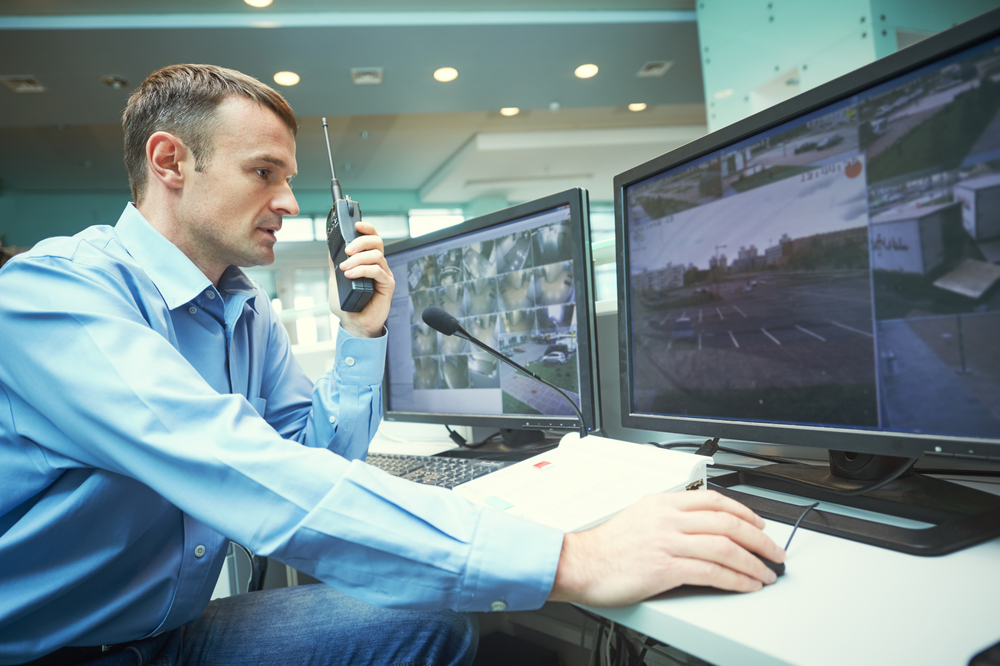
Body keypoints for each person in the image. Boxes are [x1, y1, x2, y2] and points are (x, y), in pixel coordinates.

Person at [0, 64, 784, 666]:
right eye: (264, 172)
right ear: (171, 161)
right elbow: (237, 468)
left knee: (428, 625)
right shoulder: (54, 296)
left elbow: (310, 459)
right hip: (54, 652)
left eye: (291, 177)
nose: (291, 203)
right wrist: (574, 558)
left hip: (167, 635)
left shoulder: (240, 309)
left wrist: (361, 334)